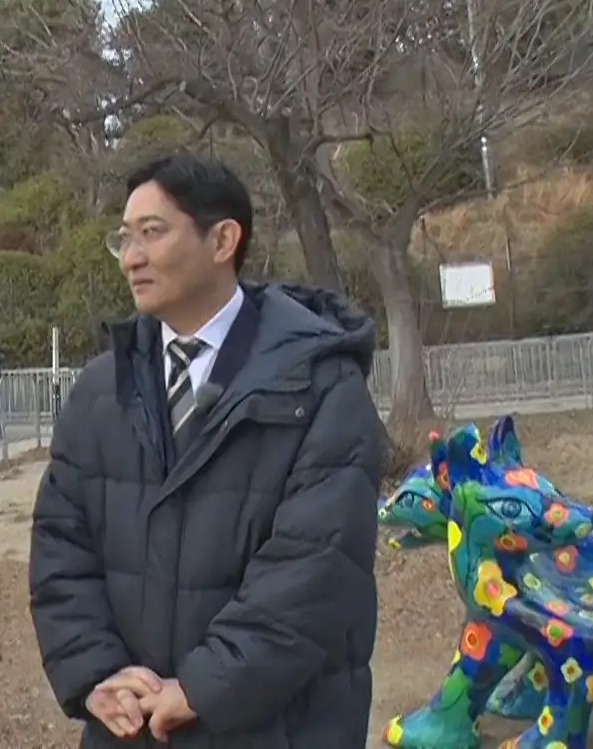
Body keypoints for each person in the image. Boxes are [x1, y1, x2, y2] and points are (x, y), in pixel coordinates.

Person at [28, 153, 385, 747]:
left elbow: (316, 567)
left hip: (279, 726)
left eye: (152, 232)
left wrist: (203, 686)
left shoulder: (319, 384)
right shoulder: (100, 390)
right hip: (133, 728)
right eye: (123, 238)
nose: (131, 256)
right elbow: (62, 548)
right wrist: (95, 671)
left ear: (223, 240)